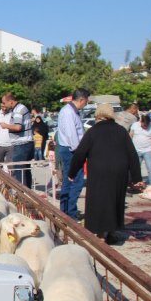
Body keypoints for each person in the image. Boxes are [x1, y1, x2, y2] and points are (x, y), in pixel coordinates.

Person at [68, 104, 142, 244]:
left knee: (99, 201)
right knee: (115, 200)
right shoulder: (121, 131)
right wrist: (137, 177)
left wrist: (72, 172)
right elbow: (132, 154)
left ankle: (100, 234)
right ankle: (112, 232)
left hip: (99, 170)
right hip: (119, 171)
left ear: (98, 116)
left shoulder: (93, 131)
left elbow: (80, 153)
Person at [57, 89, 89, 220]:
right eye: (86, 101)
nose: (86, 104)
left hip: (71, 150)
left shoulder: (71, 111)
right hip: (72, 151)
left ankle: (66, 212)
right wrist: (79, 153)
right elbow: (72, 135)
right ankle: (70, 213)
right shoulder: (68, 112)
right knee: (76, 182)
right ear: (81, 100)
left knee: (68, 182)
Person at [0, 92, 34, 187]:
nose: (3, 105)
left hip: (22, 145)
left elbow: (18, 127)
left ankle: (23, 195)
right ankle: (28, 192)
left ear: (10, 101)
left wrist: (6, 126)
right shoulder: (19, 108)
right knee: (25, 171)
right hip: (25, 144)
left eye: (4, 102)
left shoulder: (18, 110)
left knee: (20, 172)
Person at [129, 114, 151, 185]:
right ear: (140, 122)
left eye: (147, 125)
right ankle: (135, 183)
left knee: (150, 168)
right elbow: (130, 136)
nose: (145, 127)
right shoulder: (135, 125)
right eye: (144, 125)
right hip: (136, 150)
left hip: (148, 150)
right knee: (136, 168)